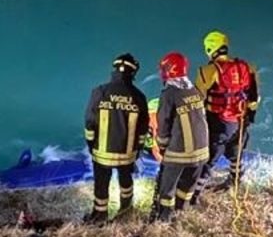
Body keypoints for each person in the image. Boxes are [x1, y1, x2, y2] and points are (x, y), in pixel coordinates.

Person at [84, 54, 150, 224]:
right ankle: (126, 212)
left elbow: (90, 123)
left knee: (101, 185)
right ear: (133, 73)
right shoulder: (139, 97)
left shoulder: (100, 92)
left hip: (102, 152)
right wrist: (138, 149)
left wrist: (91, 145)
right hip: (127, 154)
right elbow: (143, 130)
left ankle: (99, 217)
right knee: (126, 183)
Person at [193, 30, 260, 199]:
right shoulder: (247, 67)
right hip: (241, 121)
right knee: (236, 154)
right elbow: (254, 97)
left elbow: (196, 100)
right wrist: (249, 118)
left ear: (210, 49)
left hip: (218, 123)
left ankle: (194, 196)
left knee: (208, 161)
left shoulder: (207, 71)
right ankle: (235, 181)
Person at [152, 52, 210, 223]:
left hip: (180, 153)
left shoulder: (168, 95)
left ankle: (164, 217)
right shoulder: (194, 90)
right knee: (187, 186)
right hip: (202, 153)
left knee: (167, 187)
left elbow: (164, 125)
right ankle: (182, 211)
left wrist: (162, 148)